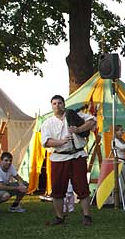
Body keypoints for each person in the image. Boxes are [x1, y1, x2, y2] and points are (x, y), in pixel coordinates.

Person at [40, 95, 95, 226]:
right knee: (58, 189)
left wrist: (79, 129)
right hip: (59, 158)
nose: (57, 105)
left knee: (82, 186)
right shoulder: (47, 123)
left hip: (77, 156)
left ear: (64, 104)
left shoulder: (73, 115)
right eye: (54, 103)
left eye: (59, 103)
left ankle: (87, 216)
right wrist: (61, 142)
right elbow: (46, 142)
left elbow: (92, 121)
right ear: (51, 106)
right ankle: (59, 217)